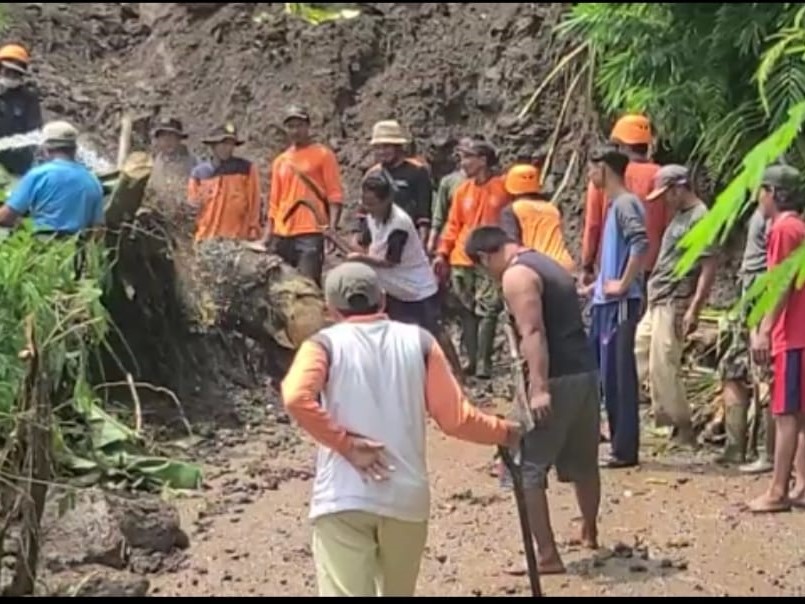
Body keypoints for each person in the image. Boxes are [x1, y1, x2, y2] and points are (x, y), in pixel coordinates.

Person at [282, 261, 522, 596]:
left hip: (342, 497)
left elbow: (296, 397)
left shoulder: (324, 345)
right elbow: (456, 419)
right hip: (404, 499)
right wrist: (505, 432)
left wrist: (347, 446)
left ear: (330, 309)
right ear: (382, 299)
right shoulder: (419, 342)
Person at [465, 226, 601, 575]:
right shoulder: (545, 263)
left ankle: (546, 556)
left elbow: (533, 331)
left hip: (555, 378)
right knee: (584, 462)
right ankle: (589, 530)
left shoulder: (517, 276)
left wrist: (538, 387)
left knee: (526, 467)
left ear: (485, 257)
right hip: (583, 372)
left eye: (483, 268)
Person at [635, 165, 716, 447]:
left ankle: (683, 428)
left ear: (679, 188)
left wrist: (695, 307)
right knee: (639, 352)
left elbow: (708, 265)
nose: (664, 201)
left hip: (675, 299)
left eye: (666, 194)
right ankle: (660, 418)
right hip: (659, 296)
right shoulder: (680, 216)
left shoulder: (700, 217)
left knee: (664, 363)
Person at [584, 145, 647, 468]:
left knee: (618, 376)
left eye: (592, 168)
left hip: (620, 303)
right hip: (604, 302)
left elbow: (641, 243)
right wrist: (595, 286)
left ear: (604, 168)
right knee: (604, 374)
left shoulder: (625, 203)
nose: (589, 175)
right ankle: (615, 442)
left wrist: (622, 284)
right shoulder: (614, 206)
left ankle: (625, 448)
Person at [748, 165, 805, 514]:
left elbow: (781, 282)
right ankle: (800, 483)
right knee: (800, 415)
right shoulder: (799, 227)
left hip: (792, 332)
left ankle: (778, 490)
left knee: (785, 414)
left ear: (771, 192)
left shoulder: (783, 229)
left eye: (760, 191)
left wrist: (766, 329)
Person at [433, 139, 510, 379]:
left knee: (489, 309)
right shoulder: (462, 191)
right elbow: (453, 224)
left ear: (483, 160)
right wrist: (441, 252)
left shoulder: (503, 187)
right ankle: (471, 359)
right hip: (461, 258)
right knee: (466, 311)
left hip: (490, 257)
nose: (463, 163)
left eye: (468, 158)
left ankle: (483, 364)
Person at [581, 114, 668, 287]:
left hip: (612, 264)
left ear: (619, 145)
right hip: (650, 265)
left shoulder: (604, 175)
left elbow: (593, 225)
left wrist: (587, 265)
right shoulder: (661, 177)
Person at [717, 207, 773, 470]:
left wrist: (760, 325)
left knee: (766, 378)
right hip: (750, 296)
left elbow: (776, 270)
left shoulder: (775, 218)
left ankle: (767, 453)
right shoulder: (761, 213)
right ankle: (735, 447)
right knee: (733, 369)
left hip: (761, 297)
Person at [349, 174, 440, 334]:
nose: (367, 208)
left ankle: (450, 360)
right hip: (392, 290)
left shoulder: (399, 223)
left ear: (386, 201)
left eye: (372, 204)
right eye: (364, 203)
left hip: (416, 289)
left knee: (433, 333)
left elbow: (390, 262)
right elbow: (364, 242)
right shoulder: (371, 216)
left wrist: (361, 258)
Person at [264, 105, 344, 285]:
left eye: (299, 125)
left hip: (311, 232)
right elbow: (274, 202)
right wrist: (268, 235)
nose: (295, 130)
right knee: (281, 287)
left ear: (308, 126)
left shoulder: (323, 155)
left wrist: (332, 229)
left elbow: (334, 194)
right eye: (290, 126)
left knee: (307, 287)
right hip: (282, 233)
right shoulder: (280, 161)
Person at [0, 120, 103, 235]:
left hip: (41, 247)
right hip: (75, 248)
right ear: (74, 150)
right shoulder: (92, 180)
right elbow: (98, 229)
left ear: (45, 149)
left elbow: (5, 217)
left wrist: (21, 224)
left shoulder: (38, 175)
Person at [187, 123, 261, 242]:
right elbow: (192, 206)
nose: (227, 148)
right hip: (206, 239)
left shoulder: (246, 169)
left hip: (237, 240)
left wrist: (253, 230)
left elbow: (254, 204)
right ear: (213, 145)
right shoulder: (199, 173)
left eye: (230, 144)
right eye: (223, 143)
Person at [500, 163, 575, 273]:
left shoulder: (512, 210)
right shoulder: (552, 208)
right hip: (565, 265)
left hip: (538, 267)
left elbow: (512, 246)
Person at [365, 120, 432, 244]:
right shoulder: (373, 174)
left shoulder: (417, 171)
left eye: (386, 146)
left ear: (398, 147)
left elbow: (424, 212)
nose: (381, 152)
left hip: (409, 237)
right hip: (380, 238)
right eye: (377, 147)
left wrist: (422, 242)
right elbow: (365, 212)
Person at [0, 43, 42, 177]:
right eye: (8, 71)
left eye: (16, 74)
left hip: (15, 160)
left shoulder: (28, 98)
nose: (11, 77)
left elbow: (35, 132)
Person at [426, 136, 474, 254]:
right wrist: (432, 241)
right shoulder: (449, 182)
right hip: (452, 240)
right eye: (466, 154)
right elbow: (439, 216)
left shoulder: (490, 182)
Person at [148, 118, 197, 197]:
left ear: (179, 139)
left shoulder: (193, 164)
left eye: (171, 136)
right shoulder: (152, 163)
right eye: (163, 136)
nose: (168, 140)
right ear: (158, 140)